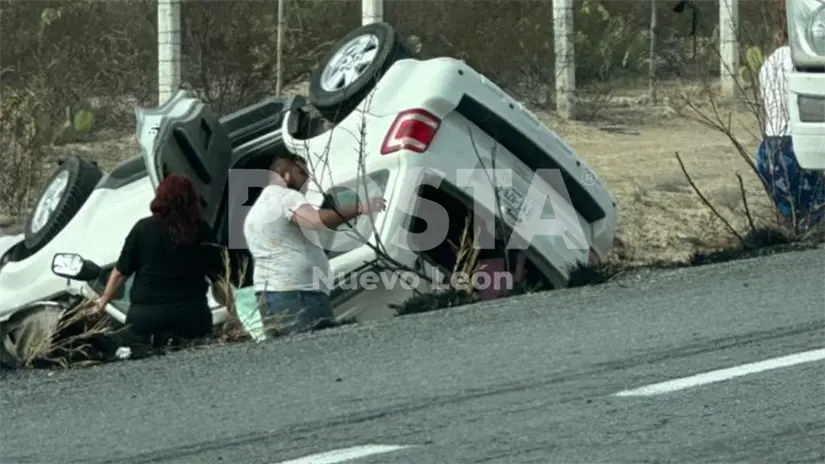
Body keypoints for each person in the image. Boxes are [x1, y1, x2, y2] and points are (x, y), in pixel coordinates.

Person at [243, 154, 385, 335]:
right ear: (285, 174)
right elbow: (315, 221)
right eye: (301, 173)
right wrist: (360, 208)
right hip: (298, 295)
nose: (307, 180)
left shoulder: (260, 207)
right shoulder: (286, 197)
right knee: (315, 353)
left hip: (273, 295)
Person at [94, 174, 224, 349]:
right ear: (193, 199)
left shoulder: (142, 228)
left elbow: (121, 272)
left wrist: (104, 301)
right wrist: (235, 313)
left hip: (146, 318)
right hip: (191, 316)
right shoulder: (201, 230)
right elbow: (219, 279)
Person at [757, 4, 825, 232]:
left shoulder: (768, 63)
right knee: (815, 209)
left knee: (794, 211)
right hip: (795, 144)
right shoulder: (802, 62)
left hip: (771, 145)